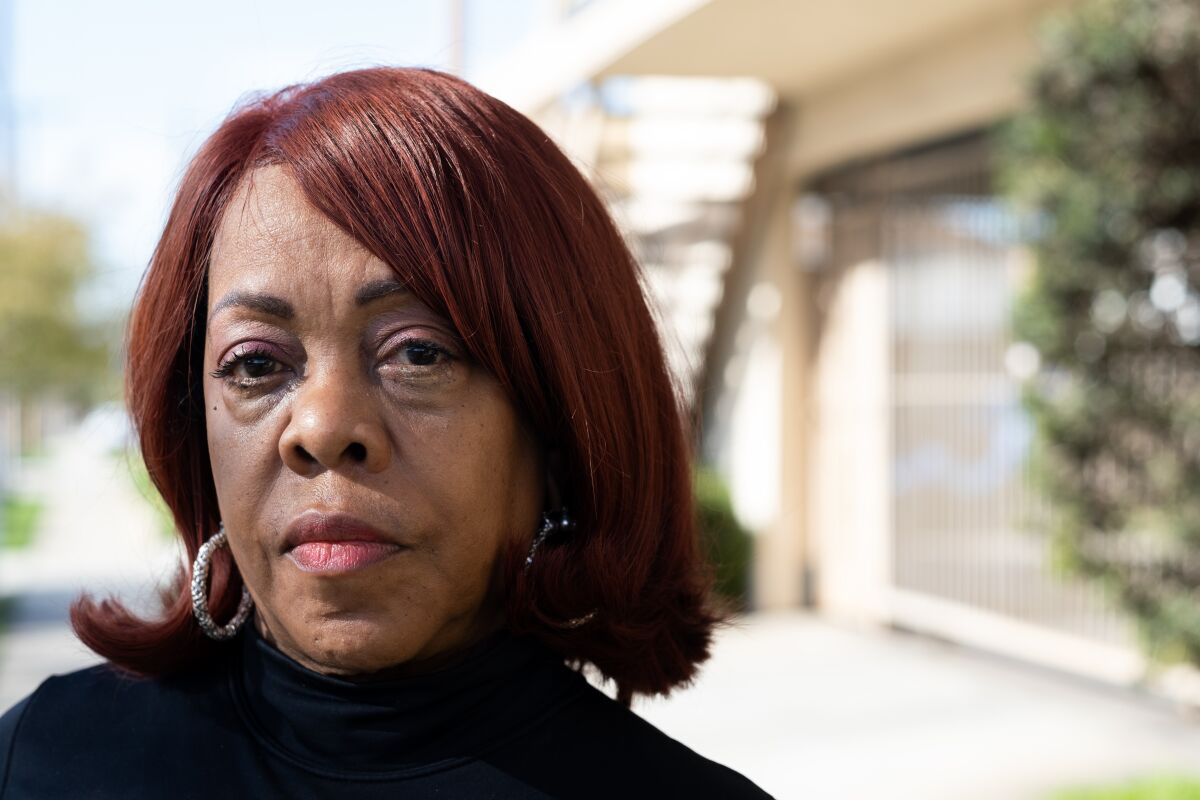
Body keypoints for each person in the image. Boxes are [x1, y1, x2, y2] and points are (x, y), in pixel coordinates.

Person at [0, 66, 772, 799]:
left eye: (419, 352)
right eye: (255, 364)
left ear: (561, 421)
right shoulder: (40, 762)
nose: (324, 428)